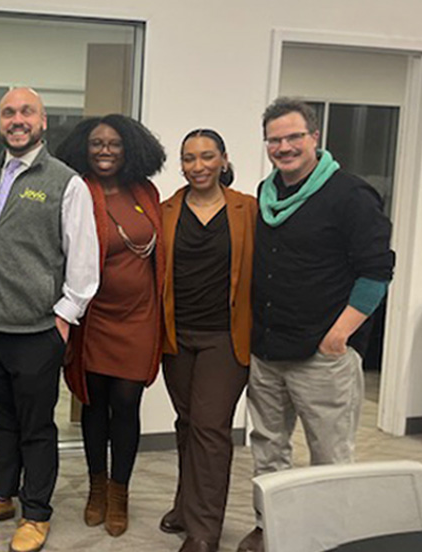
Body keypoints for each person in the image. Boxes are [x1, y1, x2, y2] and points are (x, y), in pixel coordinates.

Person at [236, 98, 395, 552]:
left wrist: (339, 334)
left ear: (314, 138)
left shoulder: (350, 195)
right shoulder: (267, 193)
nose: (284, 147)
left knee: (330, 457)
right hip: (267, 351)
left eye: (293, 137)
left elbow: (376, 271)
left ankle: (332, 538)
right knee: (268, 450)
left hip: (322, 356)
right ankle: (272, 526)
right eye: (275, 139)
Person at [0, 87, 99, 552]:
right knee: (2, 419)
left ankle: (35, 512)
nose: (17, 119)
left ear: (42, 120)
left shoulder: (66, 182)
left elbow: (84, 261)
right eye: (9, 112)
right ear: (0, 122)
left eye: (26, 112)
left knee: (36, 426)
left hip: (38, 329)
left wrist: (64, 317)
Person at [56, 114, 165, 539]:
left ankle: (120, 492)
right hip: (95, 317)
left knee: (127, 403)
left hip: (140, 317)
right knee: (94, 404)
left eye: (114, 144)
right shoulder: (76, 190)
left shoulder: (146, 192)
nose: (105, 150)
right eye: (97, 143)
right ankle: (97, 487)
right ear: (84, 147)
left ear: (130, 149)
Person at [159, 130, 256, 552]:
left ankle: (203, 531)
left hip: (225, 336)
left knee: (211, 428)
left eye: (207, 156)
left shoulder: (247, 210)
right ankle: (185, 505)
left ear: (223, 159)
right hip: (176, 337)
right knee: (187, 424)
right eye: (189, 158)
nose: (198, 166)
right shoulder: (166, 211)